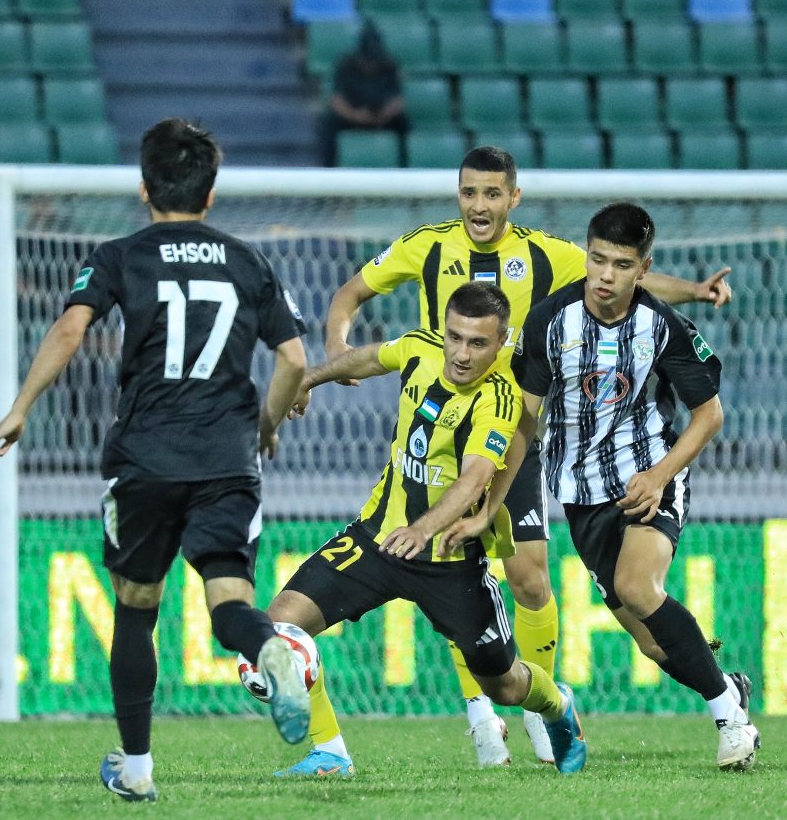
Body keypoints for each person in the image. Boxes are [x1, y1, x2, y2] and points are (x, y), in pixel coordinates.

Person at [303, 145, 735, 770]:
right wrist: (336, 350)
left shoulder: (543, 254)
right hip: (438, 435)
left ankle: (541, 709)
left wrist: (693, 291)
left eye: (491, 193)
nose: (479, 205)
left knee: (529, 576)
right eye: (469, 192)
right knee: (451, 564)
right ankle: (482, 716)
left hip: (514, 430)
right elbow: (350, 293)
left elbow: (623, 280)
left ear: (513, 198)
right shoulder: (425, 246)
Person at [0, 118, 312, 802]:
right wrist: (267, 424)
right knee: (230, 601)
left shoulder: (120, 255)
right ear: (210, 193)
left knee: (136, 607)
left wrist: (20, 408)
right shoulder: (248, 261)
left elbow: (71, 328)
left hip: (145, 457)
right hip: (226, 459)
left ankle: (136, 770)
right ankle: (267, 648)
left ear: (143, 188)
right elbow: (294, 360)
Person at [443, 202, 759, 772]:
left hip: (648, 476)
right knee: (651, 642)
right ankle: (727, 685)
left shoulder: (662, 325)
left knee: (639, 586)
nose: (605, 275)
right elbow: (525, 422)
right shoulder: (548, 322)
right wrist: (491, 503)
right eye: (597, 260)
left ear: (644, 268)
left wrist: (661, 475)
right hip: (580, 493)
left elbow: (709, 414)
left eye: (621, 264)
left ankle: (730, 721)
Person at [268, 281, 586, 777]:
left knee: (504, 685)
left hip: (450, 563)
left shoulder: (499, 399)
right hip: (376, 540)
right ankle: (329, 752)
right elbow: (369, 358)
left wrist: (423, 530)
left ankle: (557, 705)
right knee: (280, 627)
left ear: (501, 342)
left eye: (477, 343)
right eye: (455, 337)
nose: (461, 354)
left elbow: (474, 479)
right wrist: (311, 377)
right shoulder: (420, 348)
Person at [319, 22, 409, 167]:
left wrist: (384, 114)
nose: (370, 64)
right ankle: (330, 170)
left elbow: (398, 101)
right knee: (329, 125)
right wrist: (355, 115)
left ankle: (406, 169)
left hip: (382, 117)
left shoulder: (390, 66)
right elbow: (336, 101)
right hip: (352, 115)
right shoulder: (345, 65)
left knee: (404, 125)